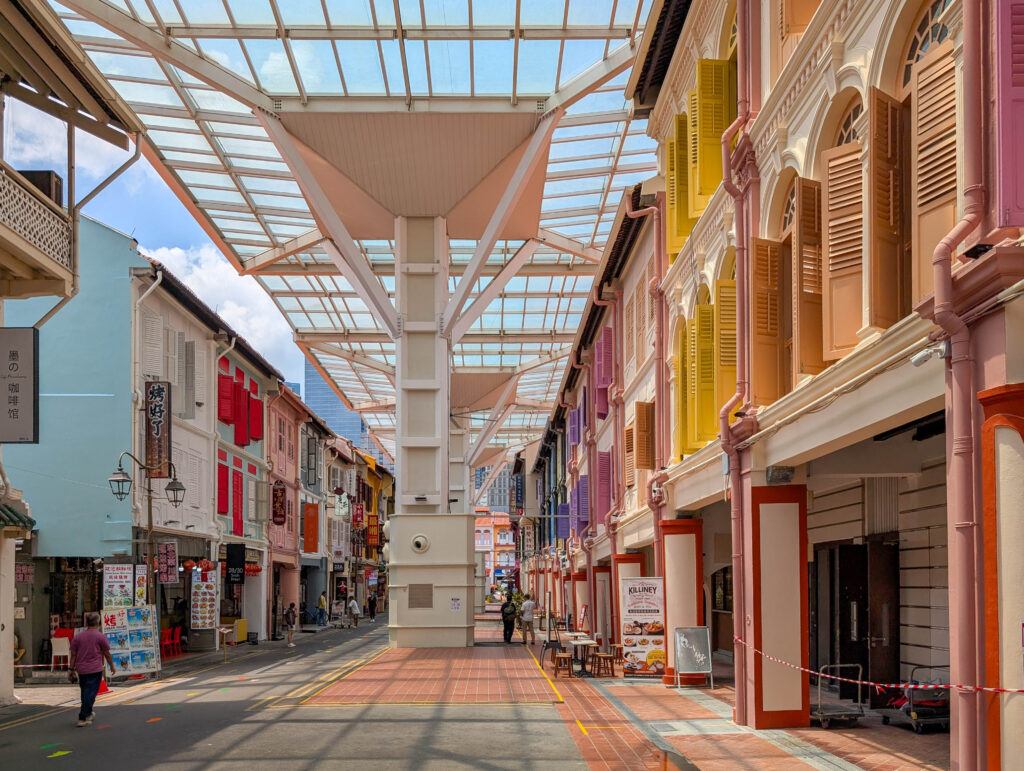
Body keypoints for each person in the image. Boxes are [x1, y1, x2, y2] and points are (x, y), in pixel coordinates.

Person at [68, 612, 115, 727]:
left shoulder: (78, 637)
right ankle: (82, 717)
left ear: (86, 623)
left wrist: (71, 669)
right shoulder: (100, 636)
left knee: (85, 692)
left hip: (81, 669)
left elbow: (73, 655)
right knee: (91, 693)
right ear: (98, 622)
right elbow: (107, 653)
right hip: (95, 669)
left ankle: (88, 713)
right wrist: (111, 665)